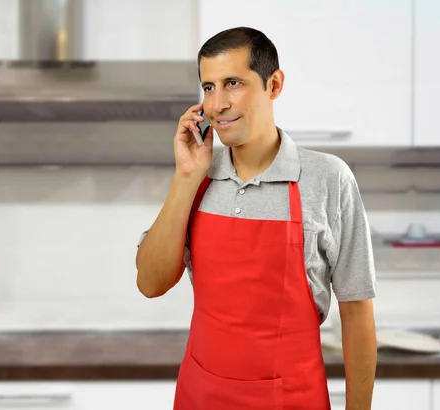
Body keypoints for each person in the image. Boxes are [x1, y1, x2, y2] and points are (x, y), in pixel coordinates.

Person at [135, 26, 377, 410]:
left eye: (233, 83)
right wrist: (185, 178)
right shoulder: (198, 173)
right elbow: (150, 282)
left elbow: (356, 310)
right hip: (201, 396)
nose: (216, 105)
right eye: (208, 87)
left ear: (274, 84)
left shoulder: (328, 178)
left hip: (291, 399)